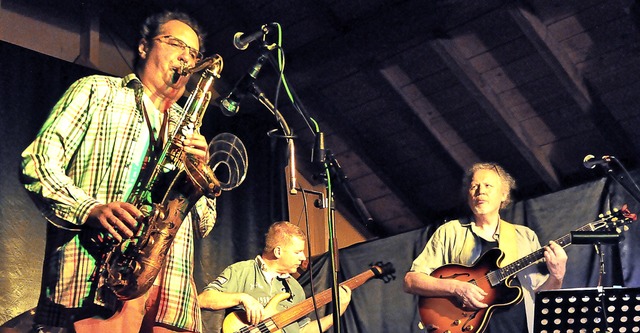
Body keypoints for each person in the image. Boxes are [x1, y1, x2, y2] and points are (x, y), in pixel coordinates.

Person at [20, 10, 217, 333]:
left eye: (194, 53)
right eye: (175, 44)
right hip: (92, 286)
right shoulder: (97, 91)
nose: (186, 57)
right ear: (143, 47)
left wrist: (200, 169)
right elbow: (37, 163)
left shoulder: (190, 127)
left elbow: (205, 225)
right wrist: (89, 209)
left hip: (169, 301)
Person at [404, 162, 568, 333]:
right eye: (474, 186)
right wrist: (456, 288)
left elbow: (541, 297)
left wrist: (557, 276)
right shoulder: (450, 232)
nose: (480, 191)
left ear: (504, 194)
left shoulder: (524, 236)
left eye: (488, 185)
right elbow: (410, 281)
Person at [198, 221, 352, 333]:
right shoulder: (242, 271)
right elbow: (203, 299)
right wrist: (243, 298)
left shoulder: (295, 289)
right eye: (297, 252)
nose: (303, 257)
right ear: (278, 252)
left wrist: (338, 312)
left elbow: (302, 331)